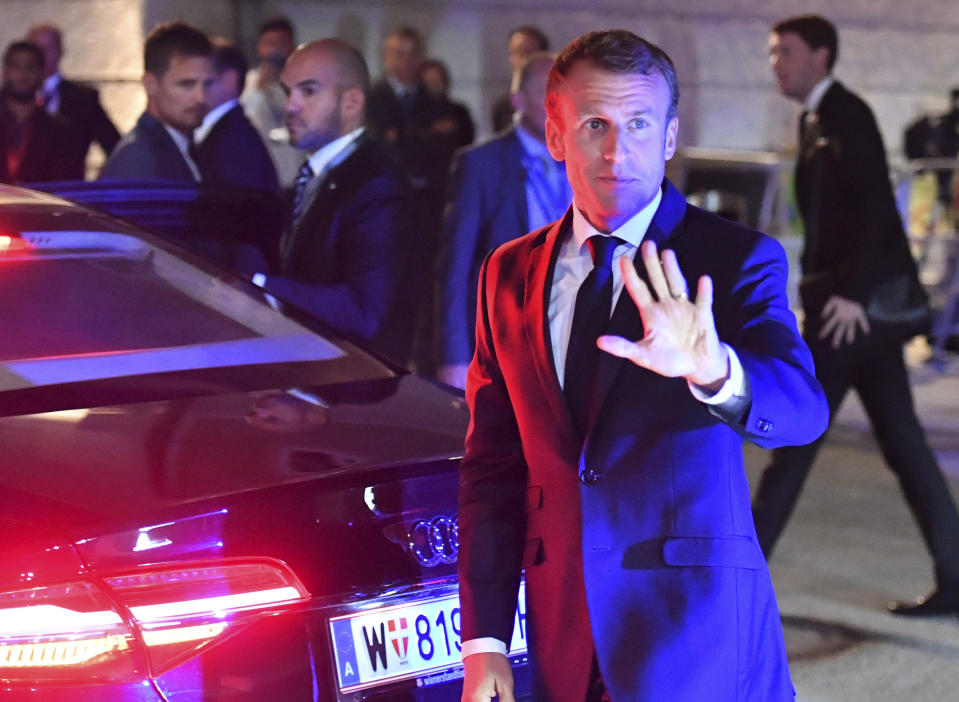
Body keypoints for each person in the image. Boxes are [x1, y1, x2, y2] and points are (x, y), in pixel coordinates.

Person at [458, 29, 828, 702]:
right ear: (555, 134)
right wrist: (483, 641)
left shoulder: (734, 258)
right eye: (594, 124)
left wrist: (714, 368)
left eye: (637, 123)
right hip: (560, 632)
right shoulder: (505, 274)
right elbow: (493, 467)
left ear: (668, 136)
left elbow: (802, 412)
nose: (615, 149)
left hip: (694, 635)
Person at [754, 14, 959, 616]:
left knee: (794, 440)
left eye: (784, 51)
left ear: (820, 55)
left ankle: (736, 581)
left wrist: (851, 294)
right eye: (772, 52)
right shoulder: (817, 118)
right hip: (847, 315)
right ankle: (956, 575)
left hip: (848, 317)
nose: (775, 62)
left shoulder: (846, 115)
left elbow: (877, 209)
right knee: (902, 444)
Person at [253, 38, 417, 367]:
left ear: (352, 101)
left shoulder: (375, 182)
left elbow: (364, 310)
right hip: (313, 380)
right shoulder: (319, 168)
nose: (291, 106)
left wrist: (260, 287)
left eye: (308, 91)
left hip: (352, 388)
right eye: (288, 92)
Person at [436, 52, 570, 389]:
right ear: (518, 100)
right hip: (504, 338)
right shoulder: (480, 164)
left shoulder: (584, 160)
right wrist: (454, 358)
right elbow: (455, 267)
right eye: (547, 93)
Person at [100, 22, 213, 181]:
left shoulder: (183, 146)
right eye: (186, 84)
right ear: (151, 85)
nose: (201, 97)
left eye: (208, 84)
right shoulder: (138, 158)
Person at [26, 23, 120, 176]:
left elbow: (115, 147)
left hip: (69, 192)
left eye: (48, 48)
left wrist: (98, 185)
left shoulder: (83, 99)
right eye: (36, 49)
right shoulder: (11, 99)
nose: (41, 55)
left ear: (61, 52)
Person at [195, 38, 278, 193]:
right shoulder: (231, 132)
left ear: (230, 80)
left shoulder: (233, 139)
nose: (195, 91)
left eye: (206, 80)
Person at [0, 40, 80, 183]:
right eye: (16, 66)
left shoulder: (59, 132)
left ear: (42, 74)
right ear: (5, 72)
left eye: (30, 67)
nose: (23, 74)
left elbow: (66, 183)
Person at [241, 16, 302, 188]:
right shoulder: (247, 83)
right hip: (256, 177)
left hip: (293, 175)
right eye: (269, 43)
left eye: (280, 43)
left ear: (292, 45)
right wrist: (261, 89)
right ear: (259, 46)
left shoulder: (302, 86)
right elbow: (244, 117)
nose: (275, 50)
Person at [490, 26, 550, 133]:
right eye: (515, 53)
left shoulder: (558, 101)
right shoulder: (503, 106)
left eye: (528, 52)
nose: (521, 59)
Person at [418, 58, 474, 150]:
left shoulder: (460, 111)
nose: (434, 85)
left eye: (437, 80)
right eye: (430, 82)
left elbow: (467, 140)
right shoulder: (416, 113)